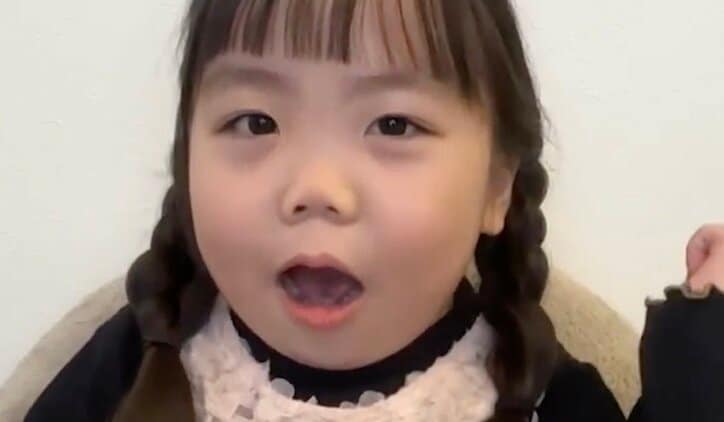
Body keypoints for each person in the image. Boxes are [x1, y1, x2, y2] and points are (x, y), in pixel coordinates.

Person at [24, 1, 724, 421]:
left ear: (497, 188)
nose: (316, 188)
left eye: (393, 125)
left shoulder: (545, 398)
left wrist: (703, 342)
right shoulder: (142, 359)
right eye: (256, 121)